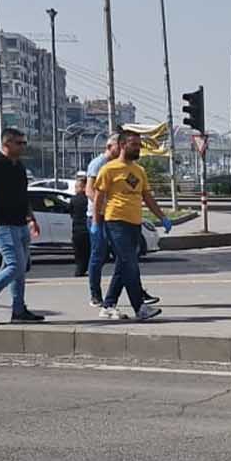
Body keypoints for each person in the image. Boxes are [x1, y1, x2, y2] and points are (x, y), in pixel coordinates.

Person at [91, 132, 171, 321]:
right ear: (122, 145)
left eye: (139, 144)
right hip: (115, 222)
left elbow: (147, 197)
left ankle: (108, 305)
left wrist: (162, 217)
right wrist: (96, 222)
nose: (138, 148)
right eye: (134, 144)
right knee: (131, 264)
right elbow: (98, 198)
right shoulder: (109, 169)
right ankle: (139, 307)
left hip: (134, 223)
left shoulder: (139, 170)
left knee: (123, 265)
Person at [0, 127, 44, 325]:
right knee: (15, 265)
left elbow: (23, 196)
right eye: (19, 143)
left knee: (20, 270)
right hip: (2, 224)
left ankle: (19, 310)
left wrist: (31, 218)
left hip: (20, 223)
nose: (23, 146)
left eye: (24, 143)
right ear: (6, 144)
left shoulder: (19, 167)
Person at [84, 134, 121, 307]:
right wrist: (103, 209)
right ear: (109, 146)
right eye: (118, 146)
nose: (121, 149)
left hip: (113, 216)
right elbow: (89, 191)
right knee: (98, 256)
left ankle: (138, 292)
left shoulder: (117, 164)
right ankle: (95, 294)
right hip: (97, 216)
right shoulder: (98, 164)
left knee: (124, 256)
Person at [69, 172, 93, 277]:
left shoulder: (74, 200)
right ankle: (85, 269)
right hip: (88, 228)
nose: (75, 189)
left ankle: (79, 270)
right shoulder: (89, 199)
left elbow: (71, 213)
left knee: (79, 252)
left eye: (77, 187)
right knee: (88, 251)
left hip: (77, 229)